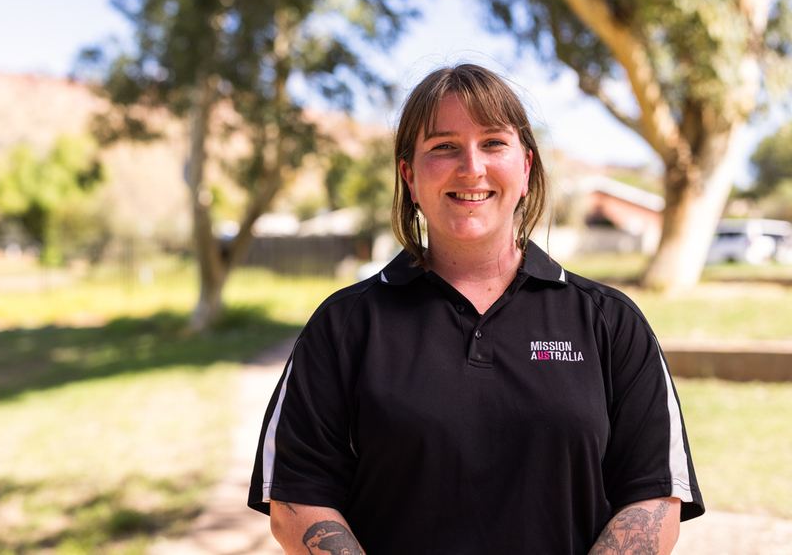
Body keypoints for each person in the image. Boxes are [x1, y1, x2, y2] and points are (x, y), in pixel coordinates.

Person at [248, 63, 704, 554]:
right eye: (443, 147)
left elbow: (655, 498)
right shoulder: (344, 326)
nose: (471, 167)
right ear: (410, 177)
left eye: (493, 143)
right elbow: (296, 500)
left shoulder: (610, 322)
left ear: (525, 168)